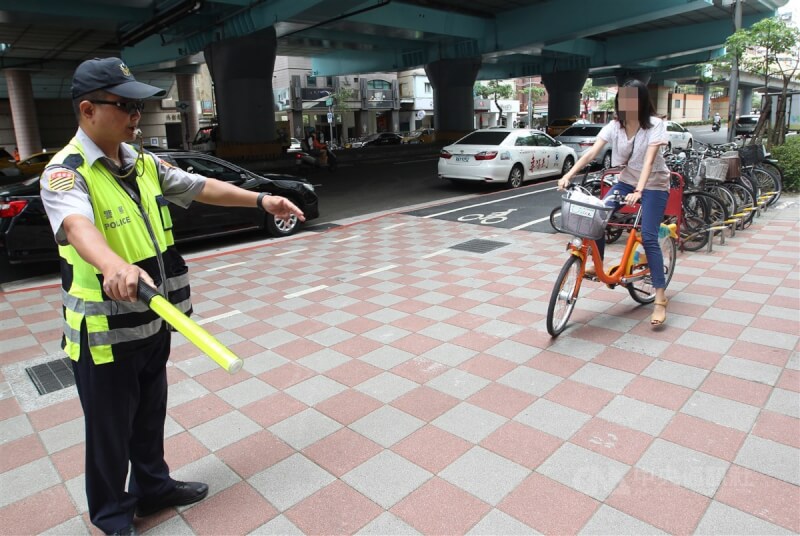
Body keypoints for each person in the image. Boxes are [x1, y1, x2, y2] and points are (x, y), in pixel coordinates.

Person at [40, 57, 304, 536]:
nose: (136, 116)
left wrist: (263, 199)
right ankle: (113, 515)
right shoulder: (65, 172)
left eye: (139, 107)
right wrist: (111, 264)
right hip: (104, 333)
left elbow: (200, 186)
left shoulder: (139, 162)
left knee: (147, 417)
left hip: (154, 321)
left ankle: (154, 487)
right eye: (125, 106)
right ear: (87, 109)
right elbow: (77, 225)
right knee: (108, 435)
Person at [558, 79, 670, 327]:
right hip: (627, 181)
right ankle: (598, 264)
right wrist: (568, 175)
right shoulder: (613, 126)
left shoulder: (655, 125)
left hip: (654, 184)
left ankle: (660, 299)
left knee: (649, 237)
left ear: (641, 102)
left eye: (632, 99)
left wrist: (640, 190)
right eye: (623, 98)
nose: (626, 104)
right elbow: (591, 153)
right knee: (597, 213)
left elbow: (650, 162)